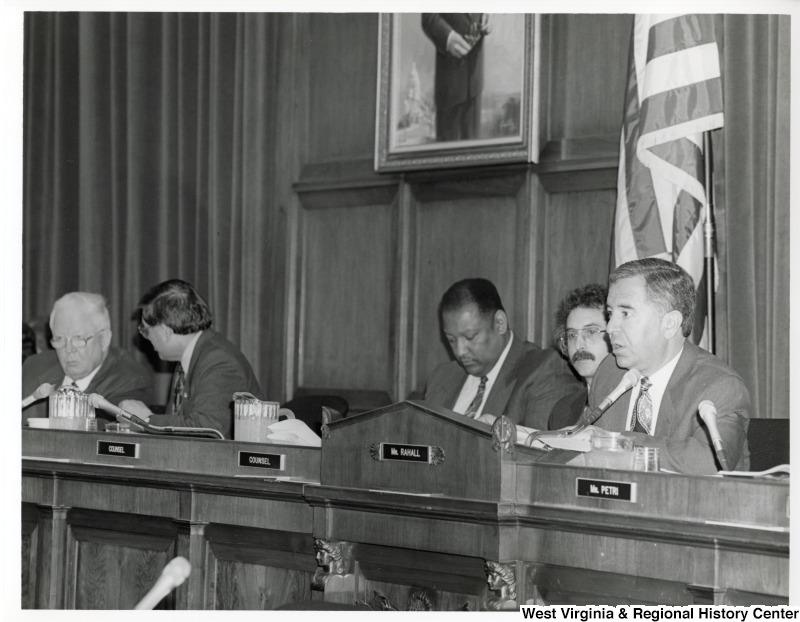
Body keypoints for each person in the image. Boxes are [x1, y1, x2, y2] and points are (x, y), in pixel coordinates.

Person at [590, 258, 750, 474]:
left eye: (625, 313)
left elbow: (709, 461)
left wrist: (615, 442)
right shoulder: (609, 372)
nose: (610, 328)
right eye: (610, 314)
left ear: (670, 324)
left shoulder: (720, 386)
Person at [424, 278, 582, 430]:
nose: (460, 351)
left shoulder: (545, 371)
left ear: (500, 323)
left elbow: (538, 446)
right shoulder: (442, 376)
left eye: (470, 337)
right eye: (451, 340)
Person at [120, 279, 262, 439]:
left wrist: (146, 420)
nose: (147, 338)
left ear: (164, 332)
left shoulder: (219, 362)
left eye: (146, 330)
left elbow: (208, 430)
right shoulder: (193, 355)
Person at [21, 292, 154, 424]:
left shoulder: (130, 380)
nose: (69, 350)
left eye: (79, 338)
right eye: (59, 338)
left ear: (104, 339)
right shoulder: (34, 367)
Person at [548, 284, 611, 429]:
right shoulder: (561, 411)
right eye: (572, 335)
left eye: (591, 332)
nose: (578, 345)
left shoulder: (633, 405)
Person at [421, 14, 489, 141]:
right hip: (450, 87)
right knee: (447, 149)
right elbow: (428, 16)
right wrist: (448, 37)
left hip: (475, 81)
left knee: (475, 147)